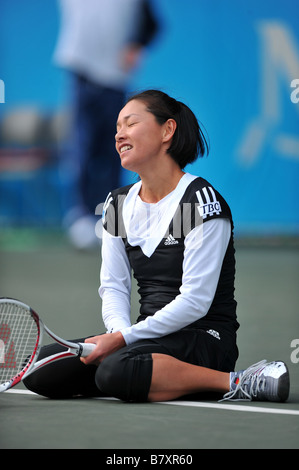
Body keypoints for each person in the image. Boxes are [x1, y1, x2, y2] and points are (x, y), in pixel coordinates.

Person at [24, 90, 290, 402]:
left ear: (167, 130)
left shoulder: (200, 201)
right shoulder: (117, 203)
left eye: (130, 123)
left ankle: (235, 380)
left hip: (204, 338)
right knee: (42, 367)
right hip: (148, 339)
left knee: (115, 370)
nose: (119, 134)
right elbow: (113, 287)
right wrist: (119, 335)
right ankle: (143, 375)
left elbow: (195, 302)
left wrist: (124, 340)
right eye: (117, 127)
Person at [54, 0, 159, 249]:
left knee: (116, 150)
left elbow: (151, 24)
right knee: (82, 148)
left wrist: (136, 46)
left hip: (115, 79)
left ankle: (111, 217)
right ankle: (81, 215)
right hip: (82, 74)